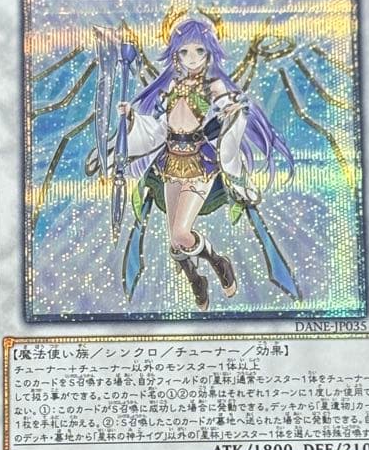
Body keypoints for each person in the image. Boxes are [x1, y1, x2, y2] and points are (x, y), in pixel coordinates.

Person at [118, 18, 293, 310]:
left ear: (209, 52)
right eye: (185, 51)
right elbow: (160, 128)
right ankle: (196, 280)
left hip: (199, 164)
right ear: (176, 54)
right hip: (169, 162)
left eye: (199, 50)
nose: (192, 58)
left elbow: (225, 104)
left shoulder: (213, 85)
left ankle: (218, 262)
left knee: (181, 233)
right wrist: (131, 116)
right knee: (175, 241)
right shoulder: (171, 85)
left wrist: (232, 109)